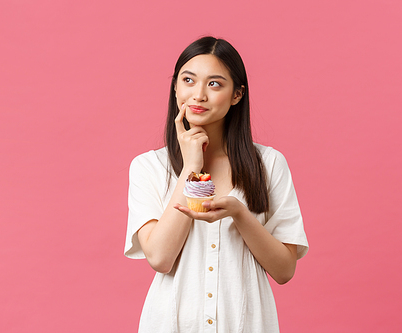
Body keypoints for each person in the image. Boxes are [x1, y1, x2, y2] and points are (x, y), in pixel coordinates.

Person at [124, 36, 308, 332]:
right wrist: (191, 168)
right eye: (188, 80)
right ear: (175, 87)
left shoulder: (269, 164)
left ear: (237, 94)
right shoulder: (149, 167)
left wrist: (239, 213)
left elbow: (285, 270)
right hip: (172, 323)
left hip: (246, 323)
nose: (198, 95)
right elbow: (160, 258)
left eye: (214, 84)